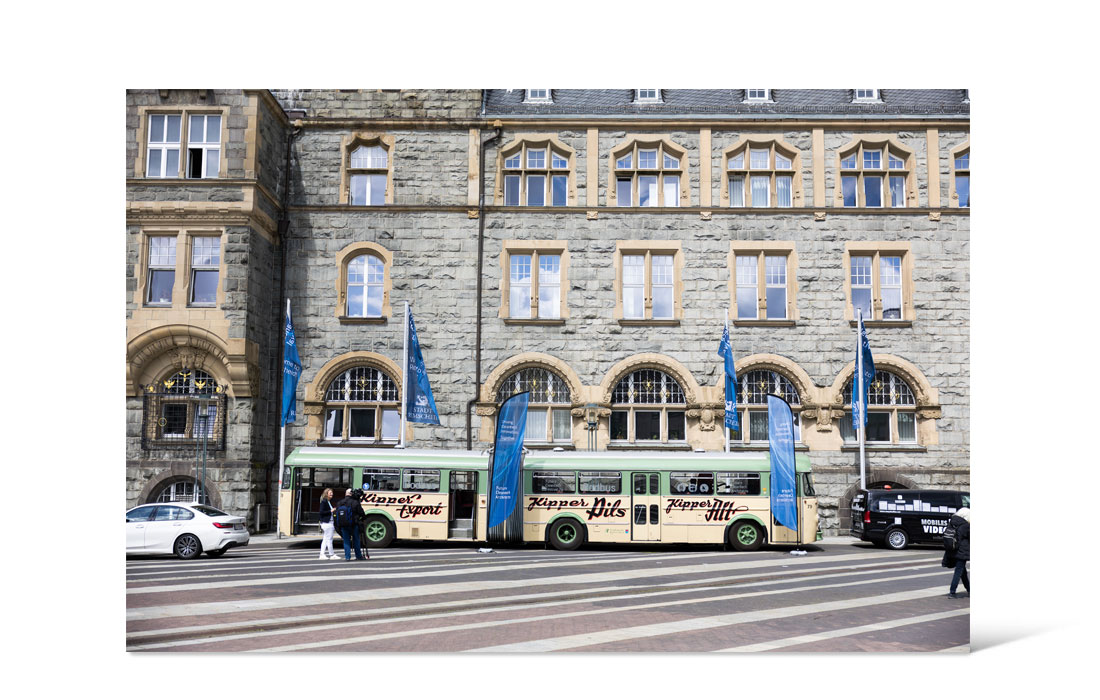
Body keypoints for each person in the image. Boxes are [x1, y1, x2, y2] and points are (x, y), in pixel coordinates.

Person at [336, 488, 367, 561]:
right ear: (351, 494)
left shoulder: (340, 502)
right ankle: (358, 556)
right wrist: (363, 518)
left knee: (346, 541)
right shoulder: (355, 502)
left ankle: (347, 557)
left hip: (343, 525)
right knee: (356, 540)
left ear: (345, 494)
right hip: (354, 524)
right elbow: (361, 513)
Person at [947, 506, 970, 599]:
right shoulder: (966, 525)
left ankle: (969, 589)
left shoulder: (952, 522)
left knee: (962, 571)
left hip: (953, 549)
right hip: (962, 551)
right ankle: (952, 591)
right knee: (958, 571)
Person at [318, 488, 337, 560]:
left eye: (332, 493)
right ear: (326, 494)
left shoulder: (328, 502)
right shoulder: (324, 502)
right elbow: (321, 512)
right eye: (330, 493)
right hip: (327, 523)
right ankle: (331, 554)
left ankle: (322, 554)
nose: (331, 494)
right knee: (329, 539)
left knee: (325, 539)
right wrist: (331, 511)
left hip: (329, 522)